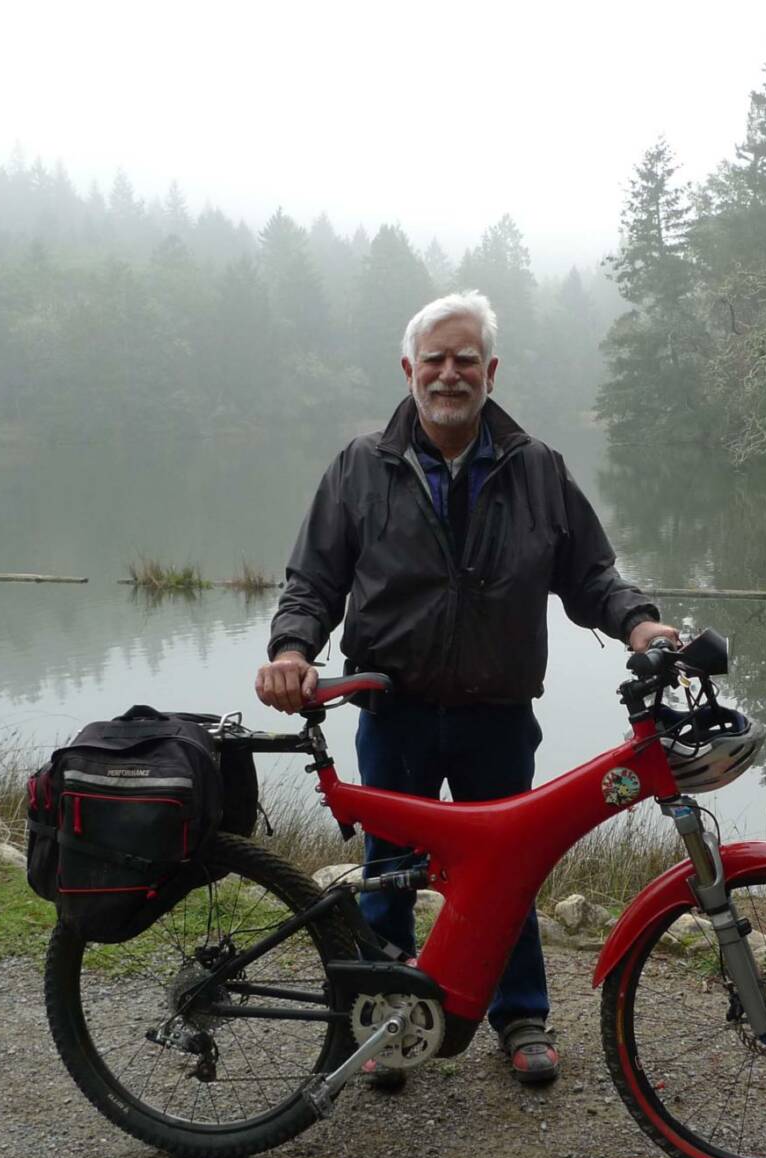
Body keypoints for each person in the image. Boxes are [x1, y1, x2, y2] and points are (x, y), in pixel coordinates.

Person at [255, 290, 676, 1087]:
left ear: (491, 371)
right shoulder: (359, 467)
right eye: (436, 361)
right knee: (390, 873)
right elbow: (313, 581)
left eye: (466, 361)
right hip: (395, 709)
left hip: (498, 714)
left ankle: (520, 1016)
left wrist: (640, 626)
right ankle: (387, 1020)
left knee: (507, 872)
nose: (450, 375)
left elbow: (591, 576)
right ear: (409, 369)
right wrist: (290, 649)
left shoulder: (538, 468)